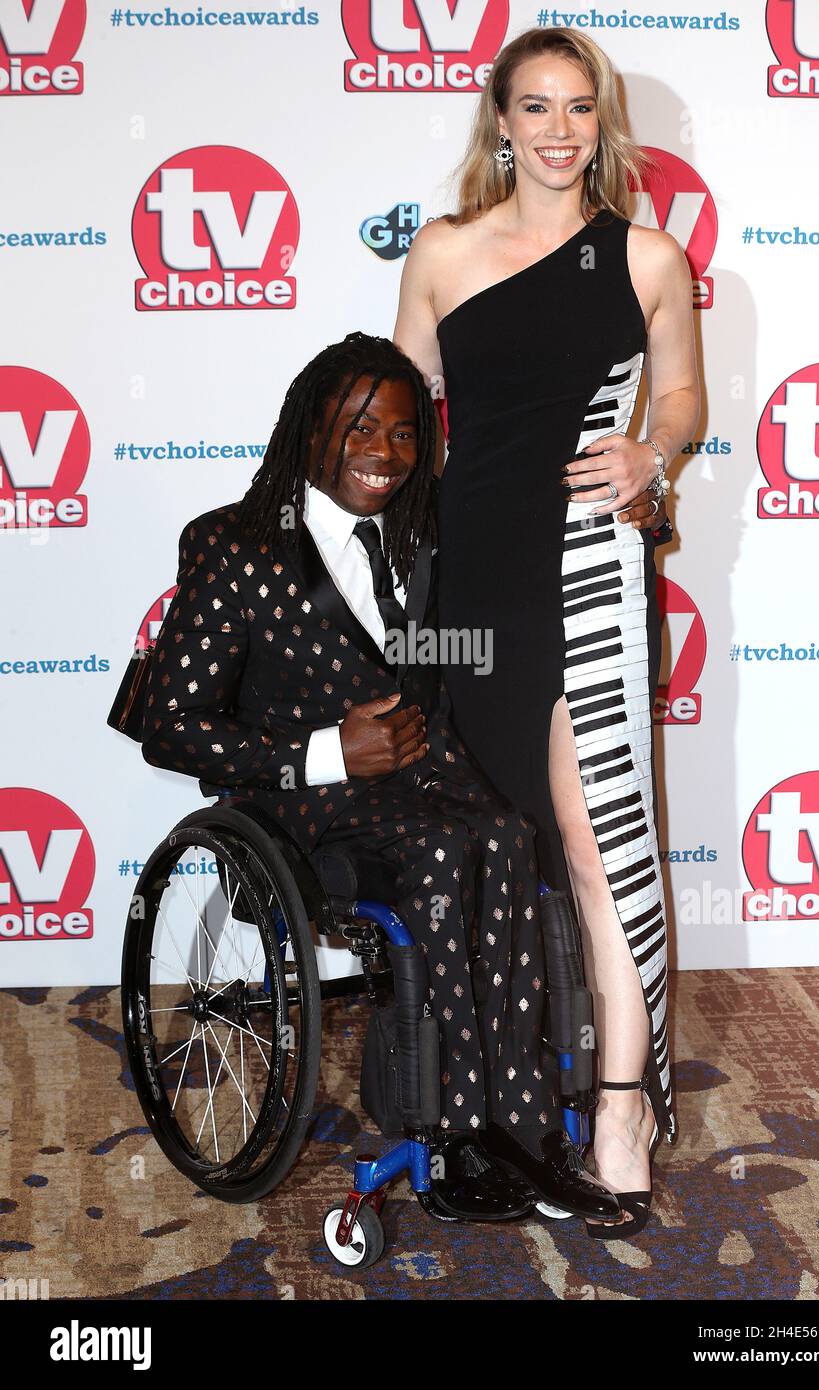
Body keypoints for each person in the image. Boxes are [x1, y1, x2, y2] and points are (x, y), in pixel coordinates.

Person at [139, 330, 629, 1226]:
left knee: (511, 833)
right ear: (307, 428)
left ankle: (522, 1124)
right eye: (358, 428)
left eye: (404, 434)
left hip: (427, 781)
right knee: (449, 848)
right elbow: (169, 727)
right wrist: (327, 751)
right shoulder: (235, 546)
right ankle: (452, 1136)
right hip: (303, 805)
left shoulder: (423, 529)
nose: (383, 454)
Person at [393, 27, 700, 1237]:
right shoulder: (440, 253)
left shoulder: (645, 255)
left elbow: (677, 393)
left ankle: (618, 1108)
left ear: (600, 119)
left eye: (580, 107)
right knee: (480, 838)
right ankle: (489, 1096)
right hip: (467, 578)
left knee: (593, 839)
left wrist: (651, 451)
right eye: (536, 107)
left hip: (583, 570)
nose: (560, 129)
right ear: (501, 120)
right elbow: (398, 419)